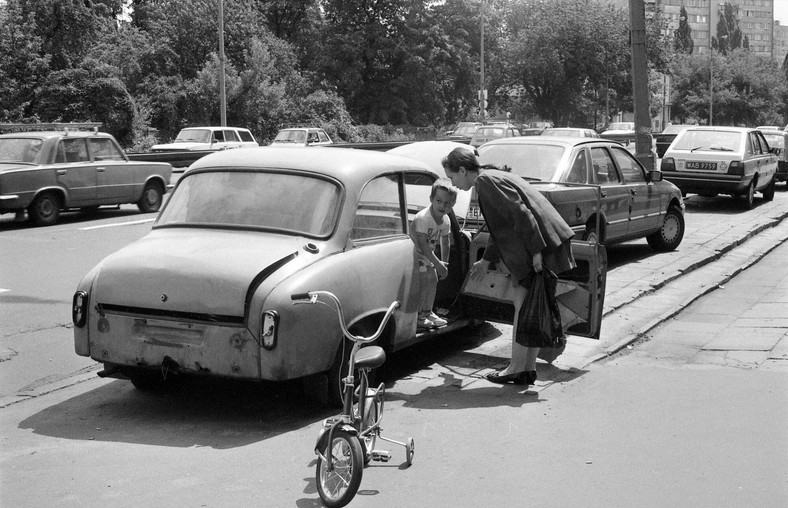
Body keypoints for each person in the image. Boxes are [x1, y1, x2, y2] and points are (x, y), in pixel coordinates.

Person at [442, 147, 575, 386]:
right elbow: (500, 228)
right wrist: (486, 260)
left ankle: (516, 369)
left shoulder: (485, 182)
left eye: (452, 177)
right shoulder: (491, 175)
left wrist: (536, 251)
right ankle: (526, 369)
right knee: (526, 308)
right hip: (543, 243)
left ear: (462, 170)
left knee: (523, 307)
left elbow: (521, 214)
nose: (453, 184)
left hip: (538, 246)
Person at [410, 179, 457, 330]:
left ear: (452, 205)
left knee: (433, 280)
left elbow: (445, 242)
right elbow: (423, 245)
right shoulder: (423, 218)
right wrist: (437, 263)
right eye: (438, 201)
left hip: (427, 256)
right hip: (414, 255)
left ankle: (427, 312)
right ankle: (418, 317)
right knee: (424, 281)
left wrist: (444, 264)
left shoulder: (446, 220)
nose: (442, 206)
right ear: (431, 199)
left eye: (447, 203)